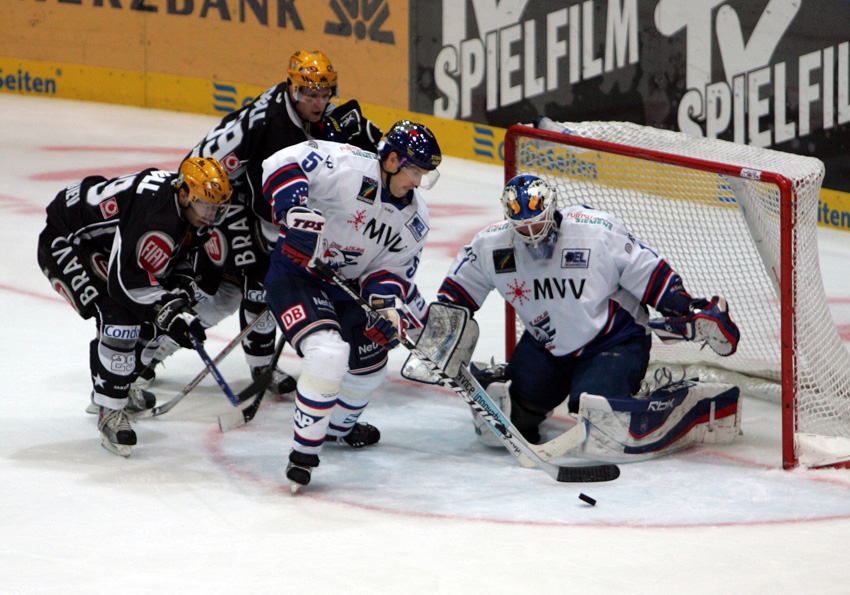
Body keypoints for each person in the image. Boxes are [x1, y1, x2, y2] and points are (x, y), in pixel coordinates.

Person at [436, 174, 741, 456]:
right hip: (547, 346)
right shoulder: (494, 245)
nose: (531, 233)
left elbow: (646, 271)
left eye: (537, 222)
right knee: (501, 423)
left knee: (604, 427)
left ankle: (686, 401)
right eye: (522, 226)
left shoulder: (595, 231)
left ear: (552, 208)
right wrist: (442, 333)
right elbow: (458, 291)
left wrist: (684, 307)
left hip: (614, 343)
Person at [175, 50, 385, 397]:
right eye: (309, 95)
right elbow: (197, 167)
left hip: (281, 218)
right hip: (237, 209)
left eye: (324, 93)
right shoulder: (266, 122)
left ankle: (260, 371)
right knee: (228, 293)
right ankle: (149, 353)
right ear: (292, 89)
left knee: (256, 293)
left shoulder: (331, 115)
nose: (318, 103)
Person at [261, 120, 441, 490]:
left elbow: (390, 270)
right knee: (328, 353)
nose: (418, 182)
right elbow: (281, 162)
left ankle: (338, 428)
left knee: (372, 365)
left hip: (349, 288)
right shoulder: (346, 165)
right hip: (298, 274)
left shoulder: (416, 220)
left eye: (425, 174)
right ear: (392, 159)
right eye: (414, 171)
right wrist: (294, 212)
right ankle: (303, 455)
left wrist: (386, 308)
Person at [37, 157, 233, 456]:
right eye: (207, 205)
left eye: (218, 207)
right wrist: (169, 309)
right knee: (120, 316)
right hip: (66, 239)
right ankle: (109, 411)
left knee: (155, 316)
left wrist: (177, 297)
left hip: (105, 241)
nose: (213, 214)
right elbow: (125, 281)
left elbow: (181, 258)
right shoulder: (156, 215)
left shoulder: (193, 210)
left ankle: (120, 389)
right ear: (184, 194)